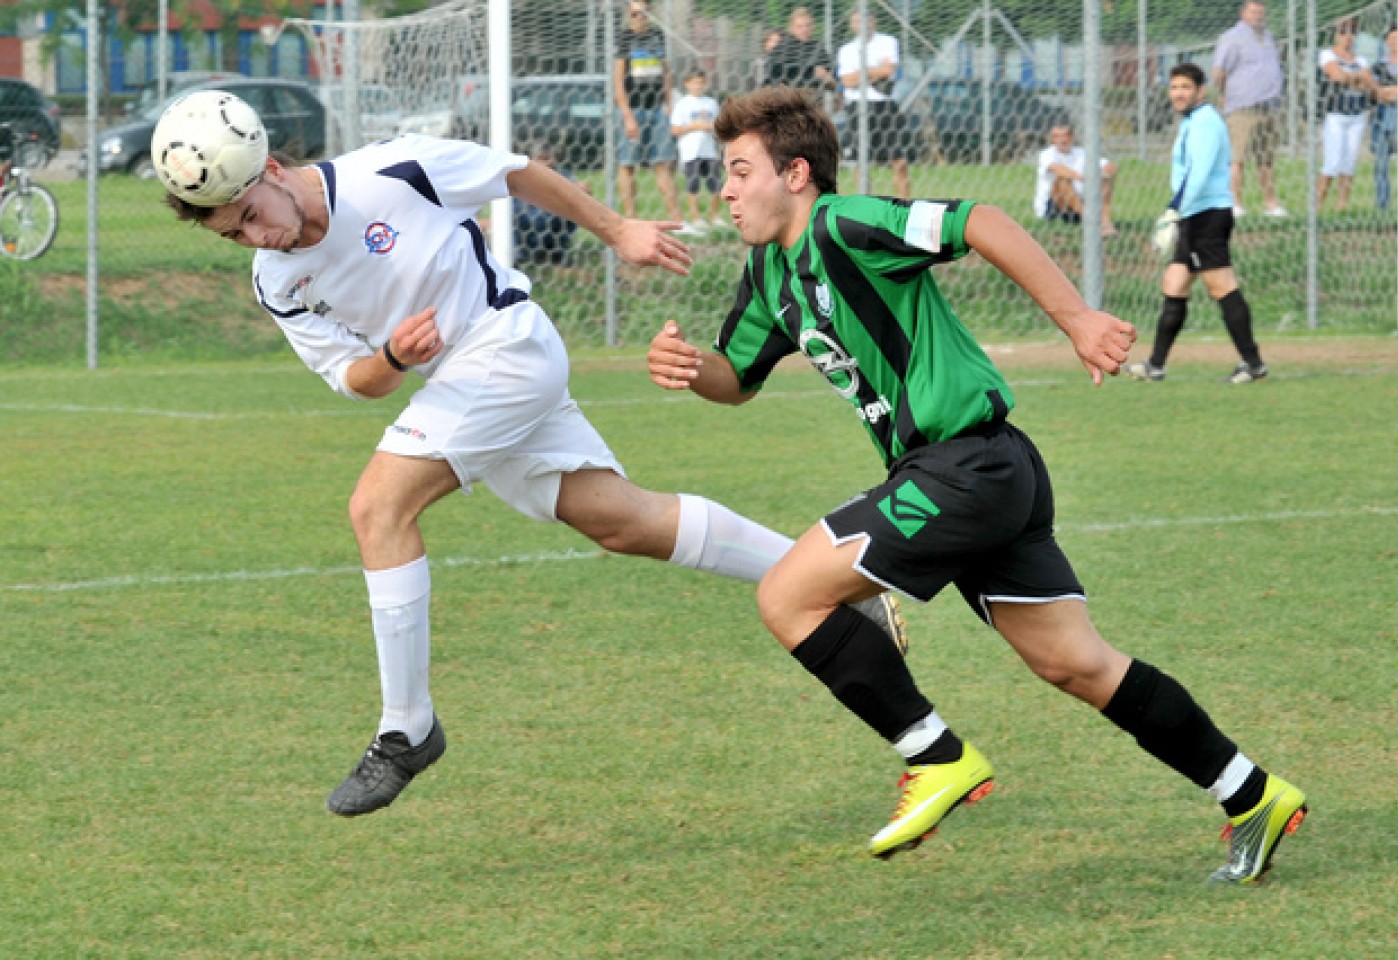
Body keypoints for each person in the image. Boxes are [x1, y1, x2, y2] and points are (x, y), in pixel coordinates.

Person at [154, 92, 908, 818]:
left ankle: (406, 727)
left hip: (505, 348)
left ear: (275, 172)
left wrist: (616, 231)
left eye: (252, 214)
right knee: (626, 523)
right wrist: (388, 356)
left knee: (377, 507)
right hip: (459, 386)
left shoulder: (392, 170)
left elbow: (513, 171)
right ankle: (843, 584)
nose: (254, 237)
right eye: (232, 233)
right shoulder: (277, 279)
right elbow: (355, 380)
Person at [646, 85, 1308, 883]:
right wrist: (693, 371)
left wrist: (1076, 320)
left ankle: (935, 757)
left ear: (795, 174)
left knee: (787, 594)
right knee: (1076, 664)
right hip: (988, 471)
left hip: (965, 466)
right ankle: (1251, 794)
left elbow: (979, 221)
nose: (723, 188)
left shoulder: (846, 223)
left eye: (738, 169)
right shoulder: (768, 276)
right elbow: (737, 377)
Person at [1125, 64, 1269, 385]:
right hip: (1194, 214)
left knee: (1221, 285)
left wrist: (1175, 210)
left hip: (1207, 215)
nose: (1178, 93)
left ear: (1200, 91)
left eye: (1185, 87)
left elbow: (1200, 173)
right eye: (1174, 87)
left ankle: (1253, 362)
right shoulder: (1193, 121)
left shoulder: (1206, 122)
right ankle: (1156, 365)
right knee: (1174, 284)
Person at [1212, 1, 1289, 218]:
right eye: (1253, 11)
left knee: (1266, 160)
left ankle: (1271, 204)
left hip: (1268, 107)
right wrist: (1224, 93)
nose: (1258, 15)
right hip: (1242, 107)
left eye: (1261, 12)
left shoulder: (1268, 37)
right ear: (1243, 13)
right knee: (1238, 158)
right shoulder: (1232, 37)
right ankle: (1234, 203)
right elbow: (1219, 71)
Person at [614, 0, 682, 222]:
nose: (639, 17)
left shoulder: (657, 36)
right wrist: (627, 115)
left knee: (663, 163)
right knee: (628, 164)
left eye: (643, 13)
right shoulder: (624, 38)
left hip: (656, 109)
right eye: (635, 13)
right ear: (629, 14)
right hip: (633, 110)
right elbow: (618, 80)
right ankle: (631, 218)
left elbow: (666, 72)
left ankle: (677, 220)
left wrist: (669, 105)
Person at [836, 8, 909, 200]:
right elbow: (846, 81)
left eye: (864, 20)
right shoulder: (846, 50)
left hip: (884, 105)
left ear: (873, 21)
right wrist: (874, 71)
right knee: (862, 162)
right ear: (852, 25)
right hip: (858, 107)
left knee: (899, 160)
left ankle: (905, 205)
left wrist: (861, 72)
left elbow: (889, 70)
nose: (861, 25)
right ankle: (865, 205)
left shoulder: (888, 42)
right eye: (856, 21)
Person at [1316, 18, 1376, 213]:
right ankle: (1317, 206)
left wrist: (1353, 79)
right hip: (1336, 114)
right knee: (1332, 161)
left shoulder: (1361, 60)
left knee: (1349, 162)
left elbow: (1368, 83)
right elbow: (1336, 76)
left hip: (1357, 115)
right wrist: (1357, 79)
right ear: (1336, 34)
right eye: (1343, 32)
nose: (1347, 36)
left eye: (1351, 32)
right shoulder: (1326, 54)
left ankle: (1342, 206)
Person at [1032, 122, 1118, 238]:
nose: (1061, 140)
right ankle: (1092, 222)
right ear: (1052, 139)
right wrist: (1084, 178)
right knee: (1062, 179)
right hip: (1055, 206)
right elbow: (1058, 169)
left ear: (1072, 137)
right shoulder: (1047, 154)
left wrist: (1105, 172)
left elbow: (1109, 166)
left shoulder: (1082, 153)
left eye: (1064, 136)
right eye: (1057, 136)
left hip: (1080, 202)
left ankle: (1105, 222)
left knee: (1105, 178)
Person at [670, 68, 725, 232]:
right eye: (694, 83)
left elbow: (719, 125)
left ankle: (714, 216)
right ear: (687, 84)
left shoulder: (711, 103)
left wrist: (712, 127)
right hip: (690, 151)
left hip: (709, 150)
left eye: (701, 83)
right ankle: (695, 217)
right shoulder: (682, 104)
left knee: (715, 183)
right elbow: (675, 130)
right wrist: (693, 126)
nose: (698, 86)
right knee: (693, 184)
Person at [1369, 25, 1398, 213]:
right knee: (1380, 164)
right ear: (1387, 42)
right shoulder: (1377, 67)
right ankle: (1382, 205)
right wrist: (1393, 92)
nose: (1395, 42)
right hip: (1381, 116)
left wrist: (1389, 92)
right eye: (1392, 38)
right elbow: (1374, 93)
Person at [764, 7, 835, 96]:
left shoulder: (818, 48)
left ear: (813, 26)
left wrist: (827, 78)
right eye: (799, 26)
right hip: (785, 102)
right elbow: (771, 80)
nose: (804, 30)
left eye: (808, 25)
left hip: (812, 102)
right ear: (791, 28)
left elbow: (832, 85)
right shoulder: (782, 48)